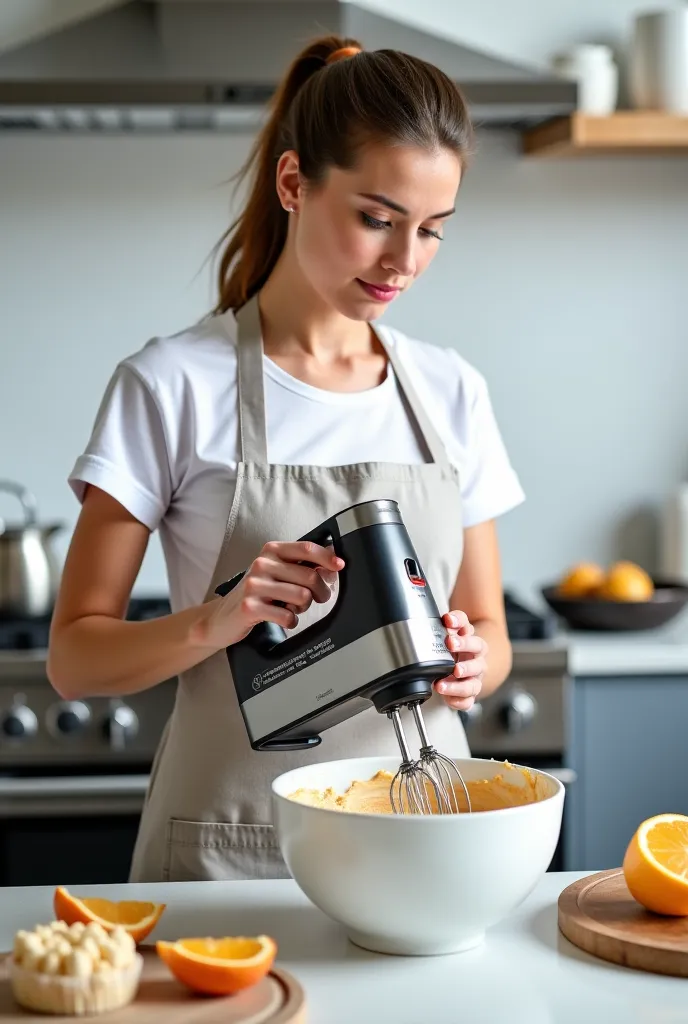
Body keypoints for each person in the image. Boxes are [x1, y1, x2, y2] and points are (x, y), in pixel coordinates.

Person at [47, 35, 525, 882]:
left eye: (432, 231)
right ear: (295, 182)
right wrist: (217, 620)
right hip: (232, 854)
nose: (403, 262)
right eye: (376, 219)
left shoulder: (452, 392)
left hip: (421, 848)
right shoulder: (170, 386)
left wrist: (478, 660)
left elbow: (487, 628)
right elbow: (75, 659)